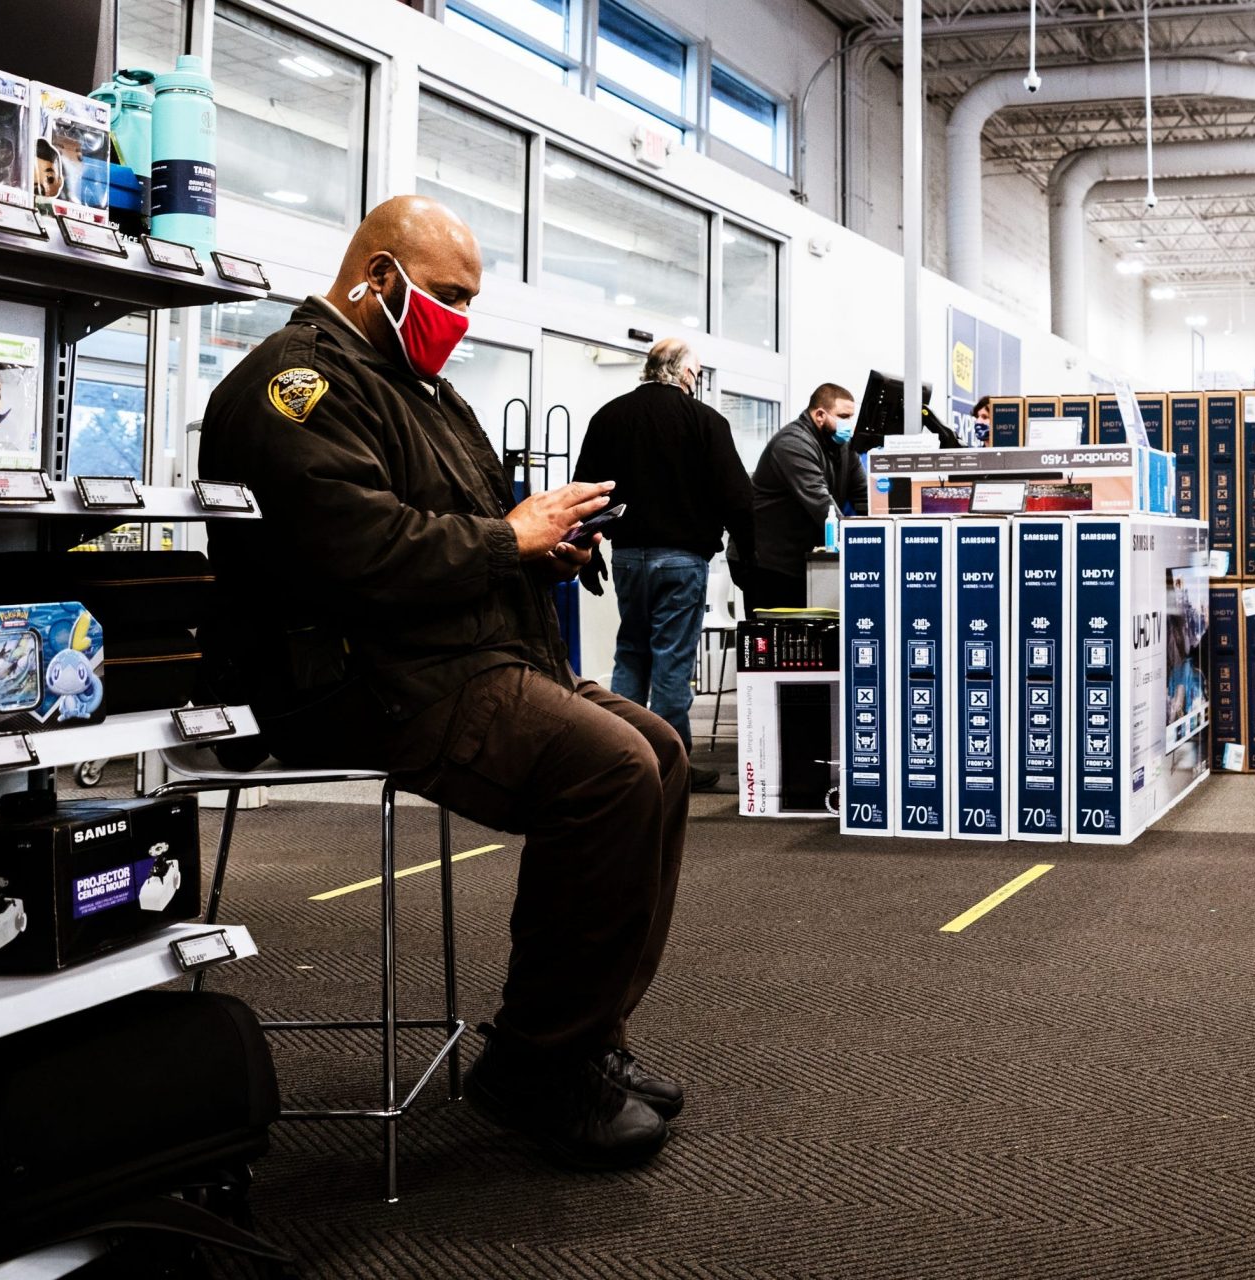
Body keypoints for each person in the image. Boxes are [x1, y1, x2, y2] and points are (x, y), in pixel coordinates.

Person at [199, 195, 686, 1172]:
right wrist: (511, 535)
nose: (460, 317)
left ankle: (583, 1036)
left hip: (460, 657)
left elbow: (460, 534)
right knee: (609, 770)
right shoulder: (292, 386)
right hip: (365, 678)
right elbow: (356, 551)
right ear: (379, 277)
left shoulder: (422, 389)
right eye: (449, 295)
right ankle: (537, 1064)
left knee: (663, 752)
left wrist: (538, 550)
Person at [575, 338, 754, 783]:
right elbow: (736, 496)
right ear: (686, 374)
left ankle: (623, 758)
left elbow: (583, 491)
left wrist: (588, 550)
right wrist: (748, 553)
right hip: (681, 560)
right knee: (672, 659)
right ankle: (672, 767)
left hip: (628, 558)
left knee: (631, 654)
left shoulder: (609, 417)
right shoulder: (705, 421)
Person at [746, 382, 863, 611]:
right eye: (843, 416)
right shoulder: (793, 443)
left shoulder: (844, 448)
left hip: (802, 561)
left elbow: (865, 497)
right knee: (776, 641)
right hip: (769, 562)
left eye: (851, 417)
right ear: (820, 415)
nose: (849, 424)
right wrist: (860, 544)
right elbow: (821, 502)